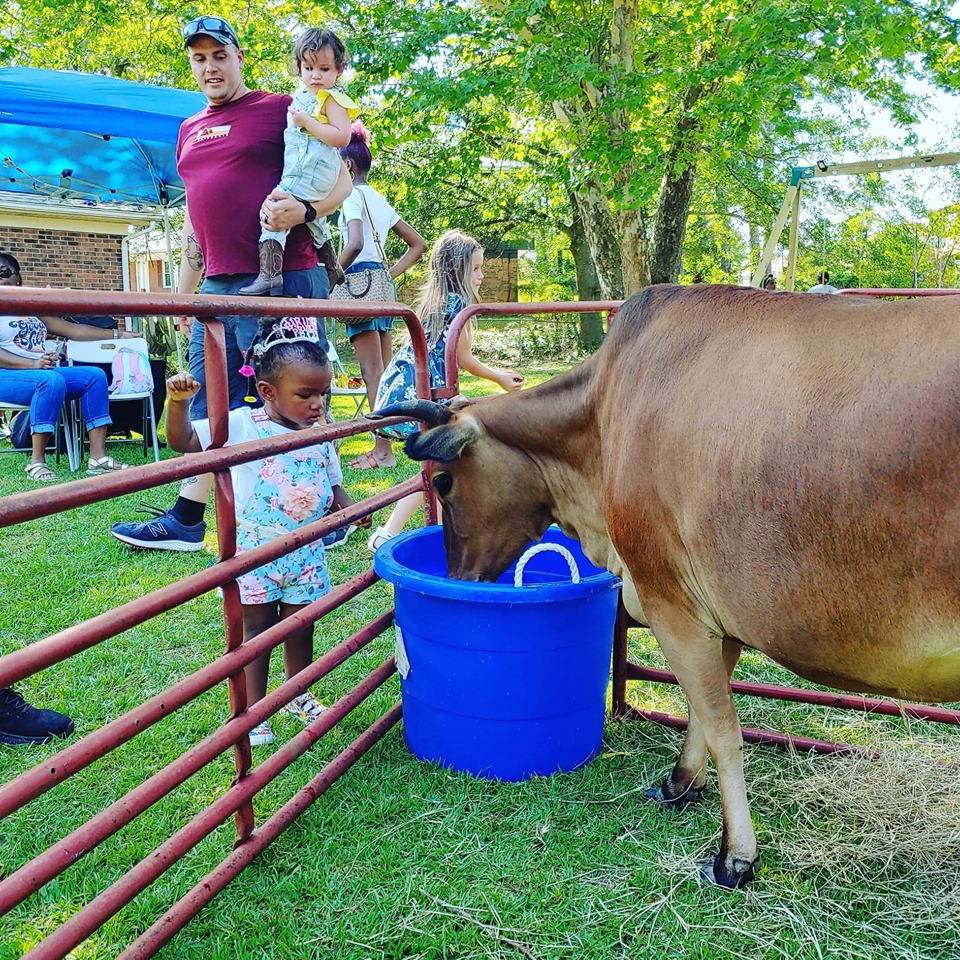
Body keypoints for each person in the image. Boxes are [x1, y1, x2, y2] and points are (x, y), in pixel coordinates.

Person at [110, 14, 352, 552]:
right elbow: (200, 220)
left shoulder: (281, 108)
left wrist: (310, 207)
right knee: (210, 403)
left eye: (219, 55)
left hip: (284, 274)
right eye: (199, 58)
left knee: (299, 397)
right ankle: (190, 519)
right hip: (217, 287)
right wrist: (186, 294)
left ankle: (326, 509)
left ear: (239, 57)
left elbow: (344, 170)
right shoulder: (188, 129)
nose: (210, 66)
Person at [164, 316, 358, 746]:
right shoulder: (243, 425)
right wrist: (177, 403)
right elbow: (184, 444)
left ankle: (297, 694)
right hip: (255, 553)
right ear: (268, 392)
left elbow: (332, 477)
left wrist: (347, 507)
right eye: (305, 394)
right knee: (258, 633)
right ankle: (255, 711)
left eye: (323, 393)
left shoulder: (320, 432)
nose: (317, 404)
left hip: (307, 551)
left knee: (301, 624)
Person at [365, 230, 524, 551]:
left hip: (408, 387)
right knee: (438, 468)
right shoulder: (459, 305)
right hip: (426, 392)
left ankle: (434, 532)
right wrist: (499, 378)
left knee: (441, 468)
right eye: (475, 269)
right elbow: (462, 358)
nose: (480, 275)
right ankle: (389, 533)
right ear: (457, 270)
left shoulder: (435, 303)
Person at [238, 28, 359, 298]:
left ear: (339, 69)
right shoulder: (302, 97)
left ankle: (270, 275)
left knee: (276, 211)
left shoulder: (332, 99)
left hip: (313, 172)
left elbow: (341, 138)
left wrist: (308, 123)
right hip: (304, 171)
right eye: (309, 67)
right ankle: (332, 266)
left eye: (325, 68)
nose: (316, 75)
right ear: (299, 68)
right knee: (313, 220)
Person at [0, 252, 136, 481]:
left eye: (4, 273)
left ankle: (98, 458)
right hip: (8, 376)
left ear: (18, 278)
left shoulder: (30, 308)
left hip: (38, 372)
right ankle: (36, 462)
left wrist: (118, 334)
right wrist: (33, 364)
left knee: (94, 376)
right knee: (51, 380)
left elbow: (72, 330)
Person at [337, 122, 426, 470]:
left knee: (372, 371)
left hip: (359, 284)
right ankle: (387, 444)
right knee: (385, 371)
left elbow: (355, 242)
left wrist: (333, 274)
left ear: (348, 166)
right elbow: (417, 244)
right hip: (382, 287)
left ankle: (382, 451)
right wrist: (388, 275)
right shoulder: (378, 197)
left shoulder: (351, 197)